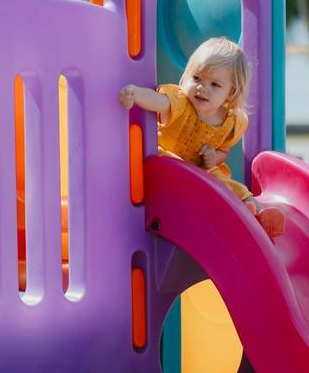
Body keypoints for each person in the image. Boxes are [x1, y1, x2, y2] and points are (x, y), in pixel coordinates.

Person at [118, 37, 285, 239]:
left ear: (230, 92)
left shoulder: (231, 122)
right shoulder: (181, 103)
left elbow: (223, 150)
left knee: (231, 185)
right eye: (196, 78)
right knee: (177, 166)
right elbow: (159, 101)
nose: (202, 88)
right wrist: (135, 94)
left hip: (203, 172)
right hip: (168, 166)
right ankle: (242, 211)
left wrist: (213, 157)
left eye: (214, 84)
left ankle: (257, 213)